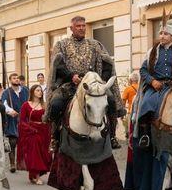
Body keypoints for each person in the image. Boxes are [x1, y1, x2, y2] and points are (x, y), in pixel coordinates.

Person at [46, 15, 122, 146]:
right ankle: (55, 137)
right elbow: (58, 65)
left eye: (83, 26)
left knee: (110, 100)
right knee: (56, 103)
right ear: (71, 28)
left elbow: (106, 63)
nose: (81, 28)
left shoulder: (95, 45)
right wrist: (71, 76)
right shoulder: (61, 45)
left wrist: (100, 80)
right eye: (78, 26)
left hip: (92, 85)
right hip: (69, 84)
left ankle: (112, 136)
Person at [135, 22, 172, 146]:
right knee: (147, 103)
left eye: (166, 33)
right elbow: (143, 70)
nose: (162, 36)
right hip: (155, 87)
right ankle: (146, 135)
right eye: (161, 33)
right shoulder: (152, 51)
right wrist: (152, 81)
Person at [17, 84, 51, 184]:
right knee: (34, 153)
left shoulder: (45, 105)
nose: (40, 92)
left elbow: (48, 119)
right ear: (32, 92)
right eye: (37, 90)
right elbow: (22, 121)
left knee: (43, 153)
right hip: (32, 131)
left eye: (40, 90)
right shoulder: (26, 105)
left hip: (44, 131)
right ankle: (36, 177)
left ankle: (33, 174)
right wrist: (30, 129)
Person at [1, 73, 28, 173]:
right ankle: (12, 163)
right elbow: (3, 103)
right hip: (13, 120)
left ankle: (24, 162)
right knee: (13, 142)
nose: (16, 79)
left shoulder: (25, 90)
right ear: (10, 80)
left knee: (26, 142)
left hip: (25, 119)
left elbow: (30, 101)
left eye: (17, 78)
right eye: (14, 78)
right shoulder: (6, 92)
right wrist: (9, 111)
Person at [121, 72, 139, 139]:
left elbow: (123, 102)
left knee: (130, 131)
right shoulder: (141, 88)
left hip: (131, 113)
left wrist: (122, 114)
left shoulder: (128, 89)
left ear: (130, 80)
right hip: (140, 112)